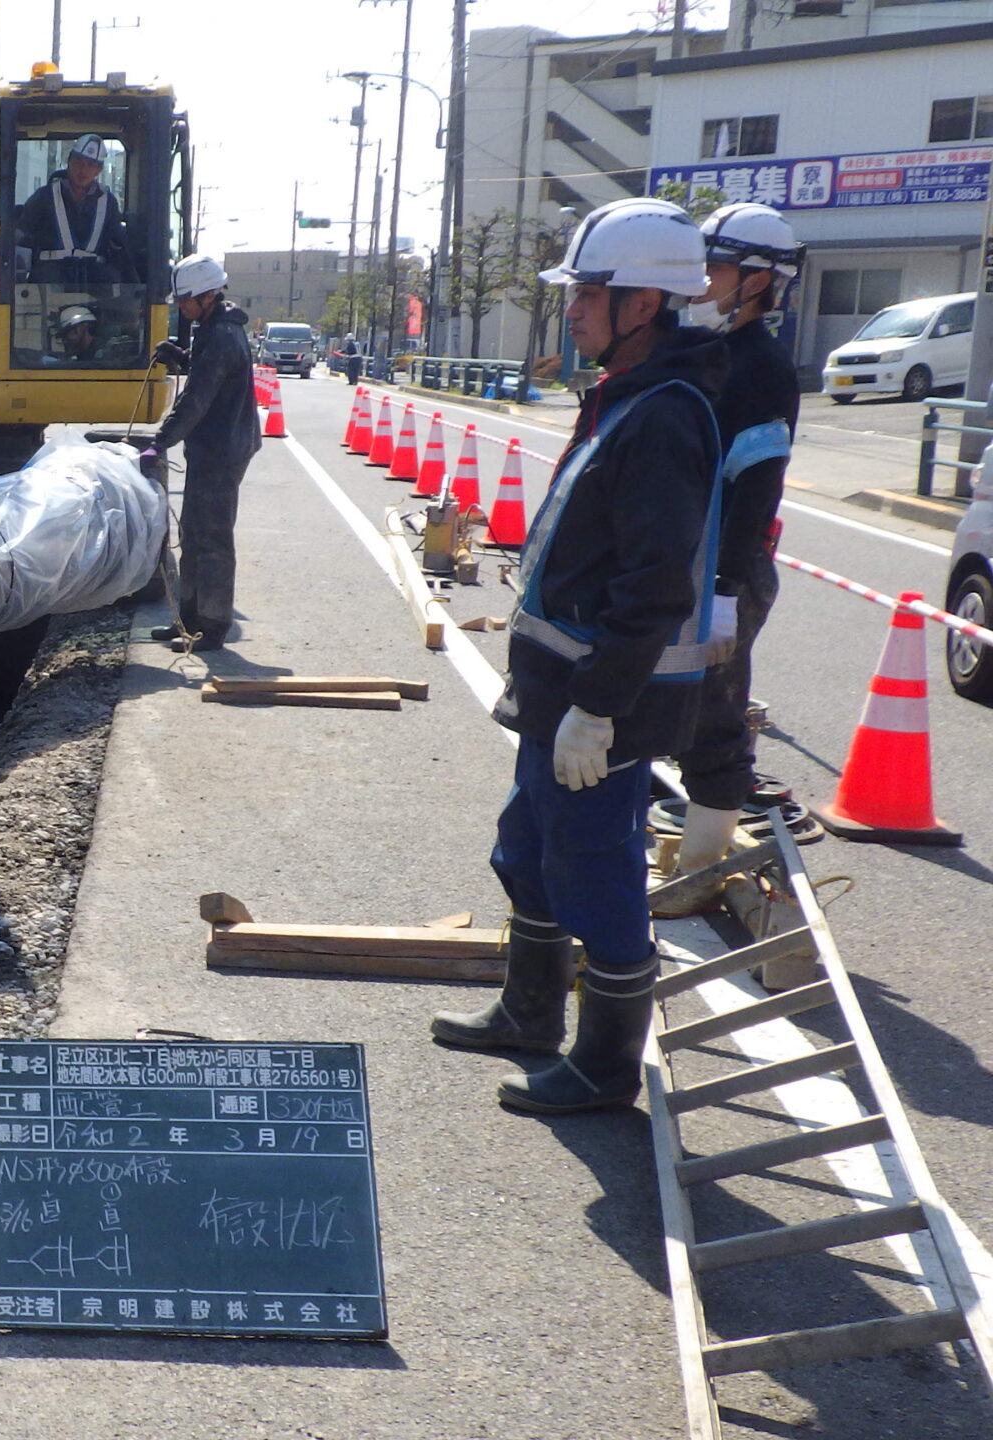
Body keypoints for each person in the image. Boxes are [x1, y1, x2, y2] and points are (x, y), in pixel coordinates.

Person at [428, 197, 729, 1113]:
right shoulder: (624, 396)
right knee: (527, 851)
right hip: (559, 693)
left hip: (604, 706)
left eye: (592, 292)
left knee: (594, 874)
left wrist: (598, 707)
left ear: (644, 303)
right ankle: (529, 1014)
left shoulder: (665, 415)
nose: (576, 308)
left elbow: (653, 586)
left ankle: (604, 1066)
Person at [663, 202, 804, 898]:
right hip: (684, 554)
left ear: (759, 280)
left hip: (725, 564)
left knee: (714, 713)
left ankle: (702, 865)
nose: (704, 280)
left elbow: (757, 485)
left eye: (717, 267)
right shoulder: (704, 348)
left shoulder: (763, 366)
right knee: (662, 701)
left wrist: (723, 588)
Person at [137, 254, 259, 651]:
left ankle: (212, 624)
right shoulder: (212, 329)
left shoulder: (221, 335)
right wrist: (181, 357)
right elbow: (208, 373)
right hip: (213, 445)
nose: (181, 307)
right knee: (193, 533)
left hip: (223, 449)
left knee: (212, 538)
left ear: (208, 296)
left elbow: (197, 400)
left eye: (186, 300)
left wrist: (161, 440)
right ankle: (188, 617)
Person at [12, 134, 134, 287]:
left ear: (99, 170)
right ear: (69, 162)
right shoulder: (44, 197)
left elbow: (120, 246)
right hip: (51, 275)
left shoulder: (109, 203)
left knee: (111, 279)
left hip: (93, 277)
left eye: (90, 165)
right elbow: (21, 235)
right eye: (78, 162)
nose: (83, 170)